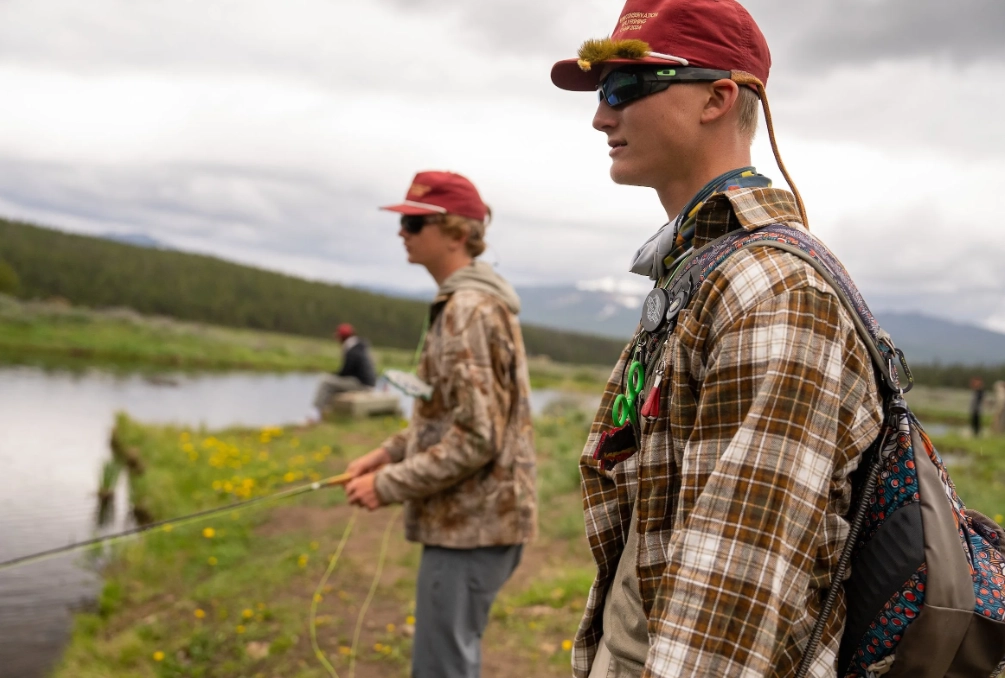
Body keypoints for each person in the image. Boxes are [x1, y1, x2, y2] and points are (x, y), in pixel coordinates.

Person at [550, 1, 884, 676]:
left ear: (716, 97)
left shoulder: (774, 292)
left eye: (622, 87)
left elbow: (735, 592)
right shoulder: (707, 272)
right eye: (598, 92)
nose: (599, 115)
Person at [343, 170, 537, 678]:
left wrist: (386, 484)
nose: (402, 233)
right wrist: (387, 453)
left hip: (472, 528)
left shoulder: (468, 311)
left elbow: (478, 437)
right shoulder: (464, 303)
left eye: (413, 222)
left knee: (441, 670)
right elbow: (446, 413)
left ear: (456, 232)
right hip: (470, 524)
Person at [311, 323, 377, 416]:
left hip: (361, 385)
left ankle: (316, 414)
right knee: (332, 384)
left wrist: (332, 375)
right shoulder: (360, 346)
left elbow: (345, 372)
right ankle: (328, 413)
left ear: (342, 337)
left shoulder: (351, 349)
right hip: (367, 384)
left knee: (325, 381)